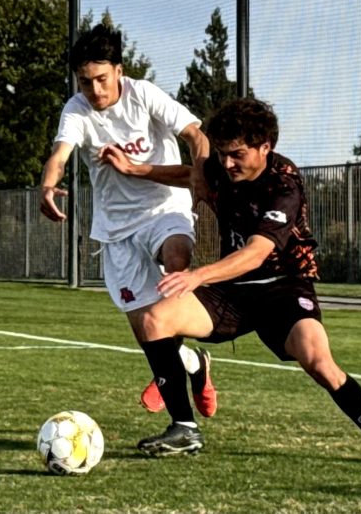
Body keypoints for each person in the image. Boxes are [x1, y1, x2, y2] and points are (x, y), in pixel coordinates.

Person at [101, 97, 361, 466]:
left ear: (266, 147)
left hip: (284, 287)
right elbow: (188, 174)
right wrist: (136, 170)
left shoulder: (284, 185)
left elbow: (256, 253)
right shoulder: (222, 167)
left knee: (316, 358)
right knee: (155, 320)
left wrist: (197, 275)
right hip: (233, 291)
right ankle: (184, 428)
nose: (227, 163)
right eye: (222, 154)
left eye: (237, 154)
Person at [39, 23, 218, 426]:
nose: (96, 91)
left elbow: (196, 134)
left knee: (176, 259)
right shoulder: (76, 110)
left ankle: (183, 427)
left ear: (119, 70)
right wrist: (48, 185)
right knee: (148, 333)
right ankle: (193, 365)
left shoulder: (144, 95)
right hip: (116, 229)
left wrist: (202, 176)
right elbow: (59, 154)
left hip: (164, 208)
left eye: (102, 79)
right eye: (86, 82)